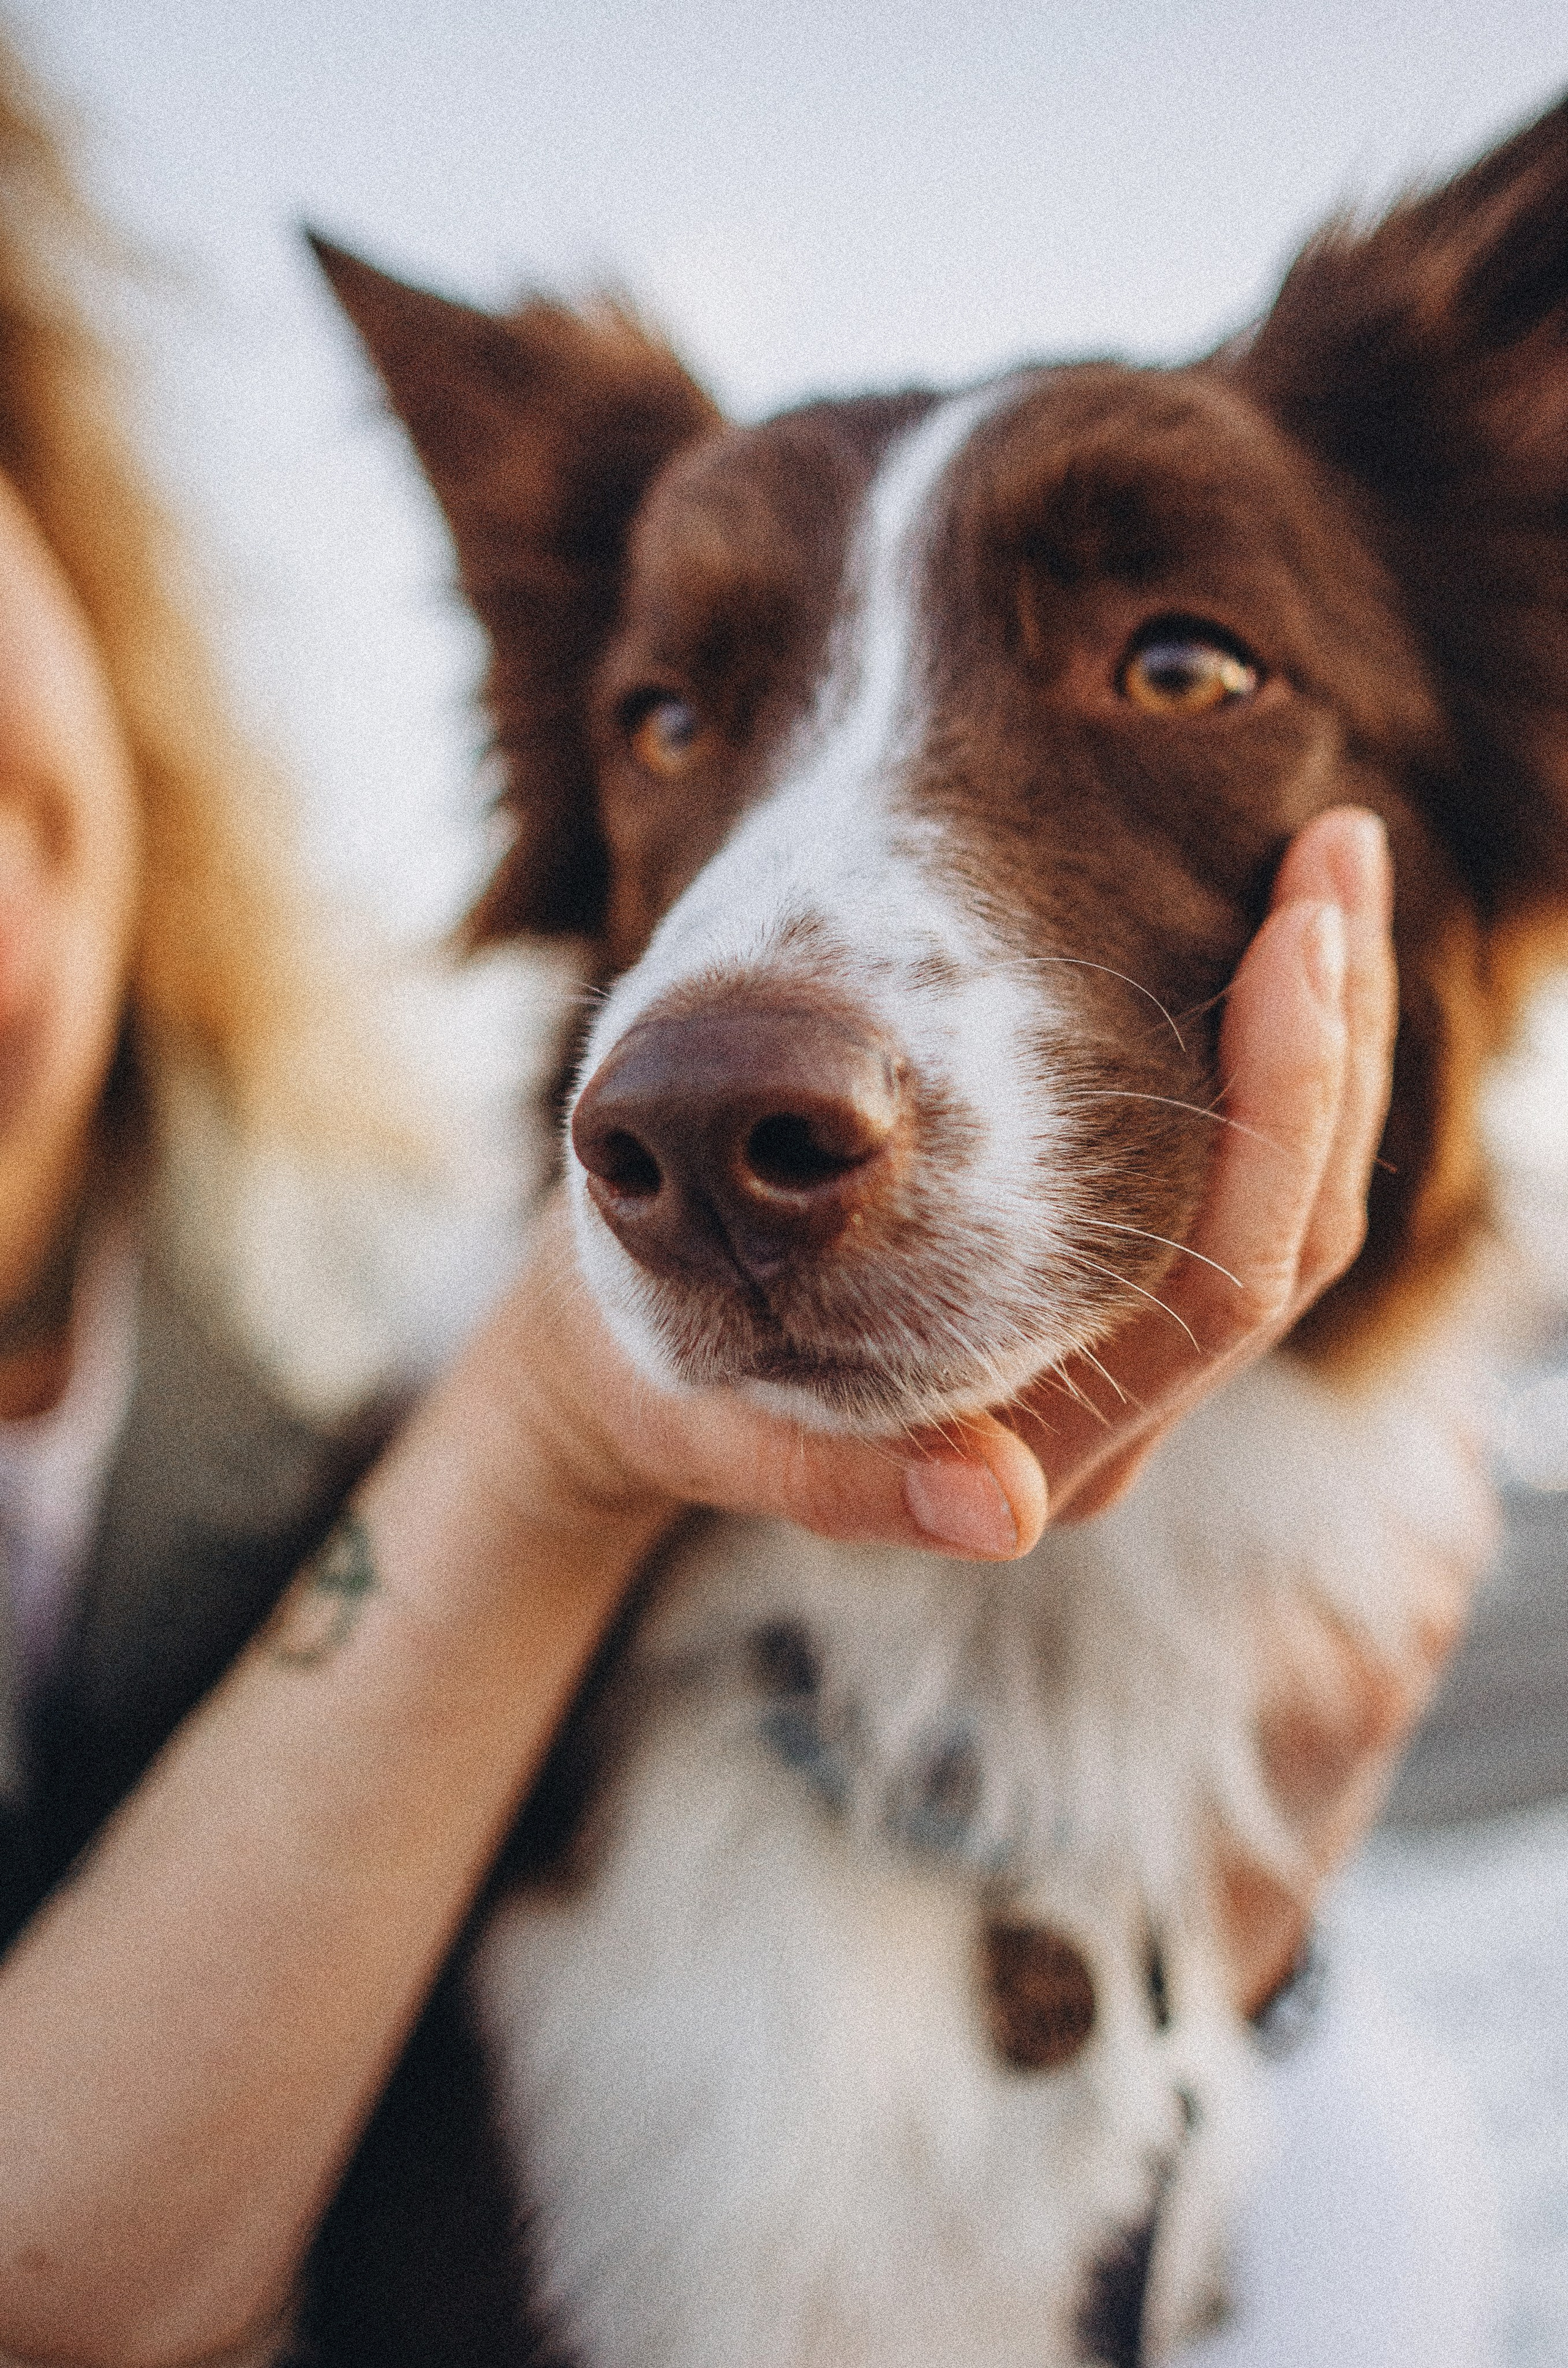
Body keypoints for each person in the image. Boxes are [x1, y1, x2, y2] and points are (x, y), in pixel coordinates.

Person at [0, 32, 1473, 2368]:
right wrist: (541, 1450)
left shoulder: (282, 1260)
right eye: (677, 719)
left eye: (1176, 660)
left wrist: (1248, 1950)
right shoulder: (392, 1447)